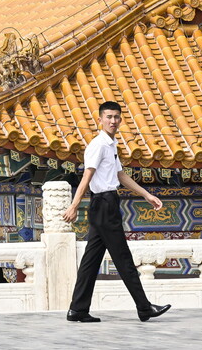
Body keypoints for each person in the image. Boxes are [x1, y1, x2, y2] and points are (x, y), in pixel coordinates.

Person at [63, 101, 171, 323]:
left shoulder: (111, 144)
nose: (113, 121)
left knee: (91, 260)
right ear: (100, 120)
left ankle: (78, 309)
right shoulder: (99, 145)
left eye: (116, 117)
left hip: (107, 202)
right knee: (123, 257)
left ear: (121, 120)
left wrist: (146, 195)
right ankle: (144, 307)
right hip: (103, 204)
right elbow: (87, 176)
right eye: (109, 117)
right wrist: (74, 205)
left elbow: (121, 176)